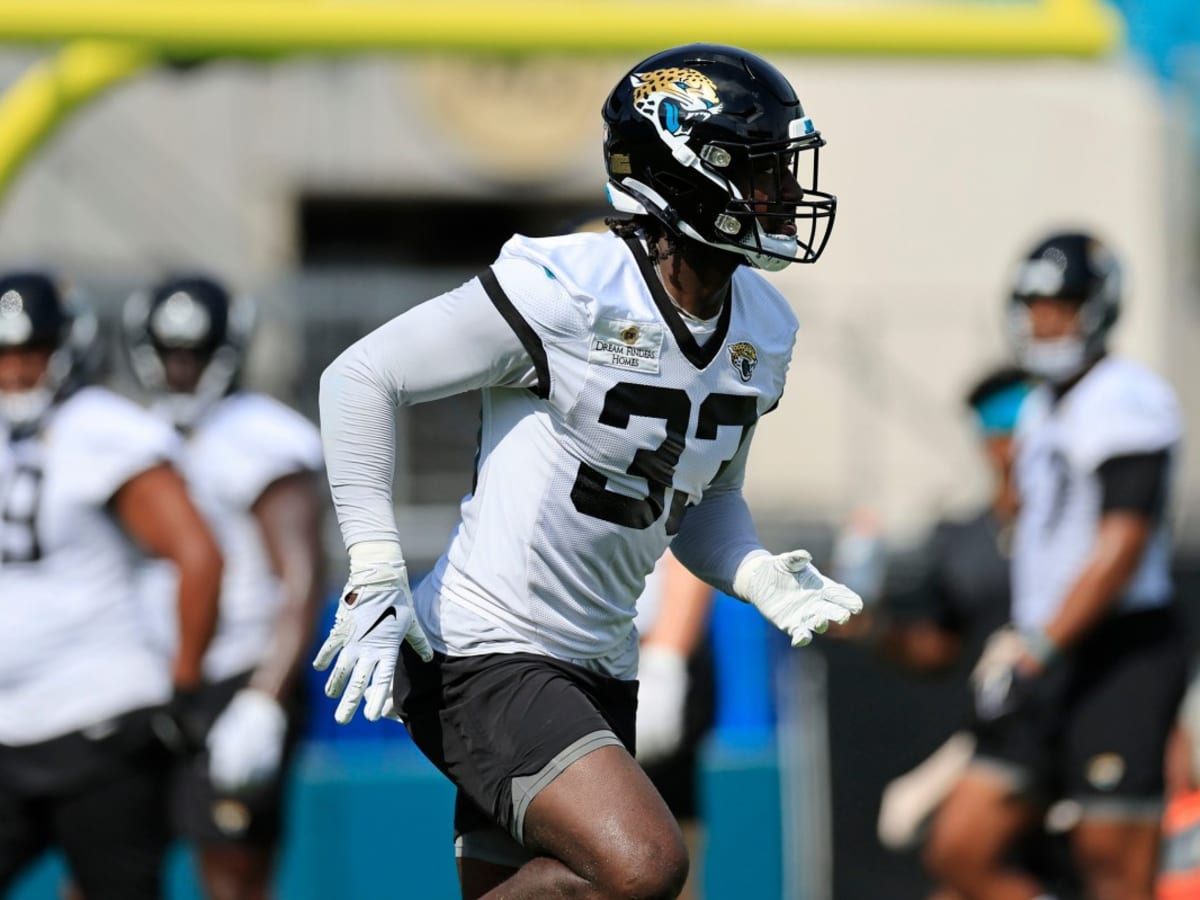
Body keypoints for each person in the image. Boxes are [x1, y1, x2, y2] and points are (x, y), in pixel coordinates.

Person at [312, 42, 862, 900]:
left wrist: (755, 570)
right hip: (486, 648)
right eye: (761, 173)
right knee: (647, 866)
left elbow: (702, 500)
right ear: (686, 175)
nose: (785, 196)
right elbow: (359, 377)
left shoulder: (764, 325)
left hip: (601, 659)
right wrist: (376, 566)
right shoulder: (572, 285)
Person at [924, 232, 1189, 900]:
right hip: (1044, 650)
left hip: (1115, 651)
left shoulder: (1128, 398)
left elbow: (1121, 545)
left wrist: (1037, 647)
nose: (1047, 319)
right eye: (1037, 304)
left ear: (1099, 307)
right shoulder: (1041, 405)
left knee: (1111, 859)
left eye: (1064, 304)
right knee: (960, 844)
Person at [0, 271, 222, 900]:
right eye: (4, 355)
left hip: (98, 723)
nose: (15, 372)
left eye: (30, 353)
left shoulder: (101, 426)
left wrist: (182, 688)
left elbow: (197, 555)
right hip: (8, 727)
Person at [123, 275, 326, 900]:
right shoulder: (129, 429)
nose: (181, 368)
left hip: (238, 675)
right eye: (170, 352)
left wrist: (265, 697)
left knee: (232, 872)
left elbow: (303, 575)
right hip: (150, 678)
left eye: (196, 353)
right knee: (111, 862)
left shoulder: (262, 435)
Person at [634, 550, 717, 900]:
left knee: (663, 843)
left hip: (651, 660)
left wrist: (663, 663)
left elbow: (689, 532)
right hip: (571, 665)